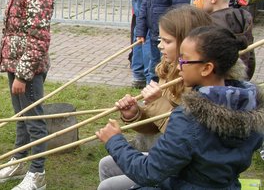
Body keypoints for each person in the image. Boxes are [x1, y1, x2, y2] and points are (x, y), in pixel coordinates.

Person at [96, 25, 264, 189]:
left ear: (206, 68)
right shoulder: (251, 106)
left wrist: (114, 140)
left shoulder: (189, 118)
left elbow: (149, 172)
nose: (178, 66)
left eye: (183, 60)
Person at [97, 6, 215, 190]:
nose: (160, 46)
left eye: (167, 41)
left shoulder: (201, 84)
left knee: (109, 186)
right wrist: (134, 114)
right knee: (107, 165)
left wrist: (160, 100)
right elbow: (154, 127)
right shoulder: (169, 70)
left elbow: (180, 134)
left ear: (188, 43)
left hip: (184, 172)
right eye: (160, 39)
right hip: (170, 162)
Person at [0, 0, 54, 189]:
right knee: (21, 116)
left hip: (29, 68)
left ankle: (37, 173)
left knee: (33, 119)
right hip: (15, 62)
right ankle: (19, 159)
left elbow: (39, 37)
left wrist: (23, 75)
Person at [193, 0, 255, 80]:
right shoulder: (243, 18)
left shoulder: (210, 24)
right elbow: (250, 56)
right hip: (242, 78)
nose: (194, 2)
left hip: (218, 82)